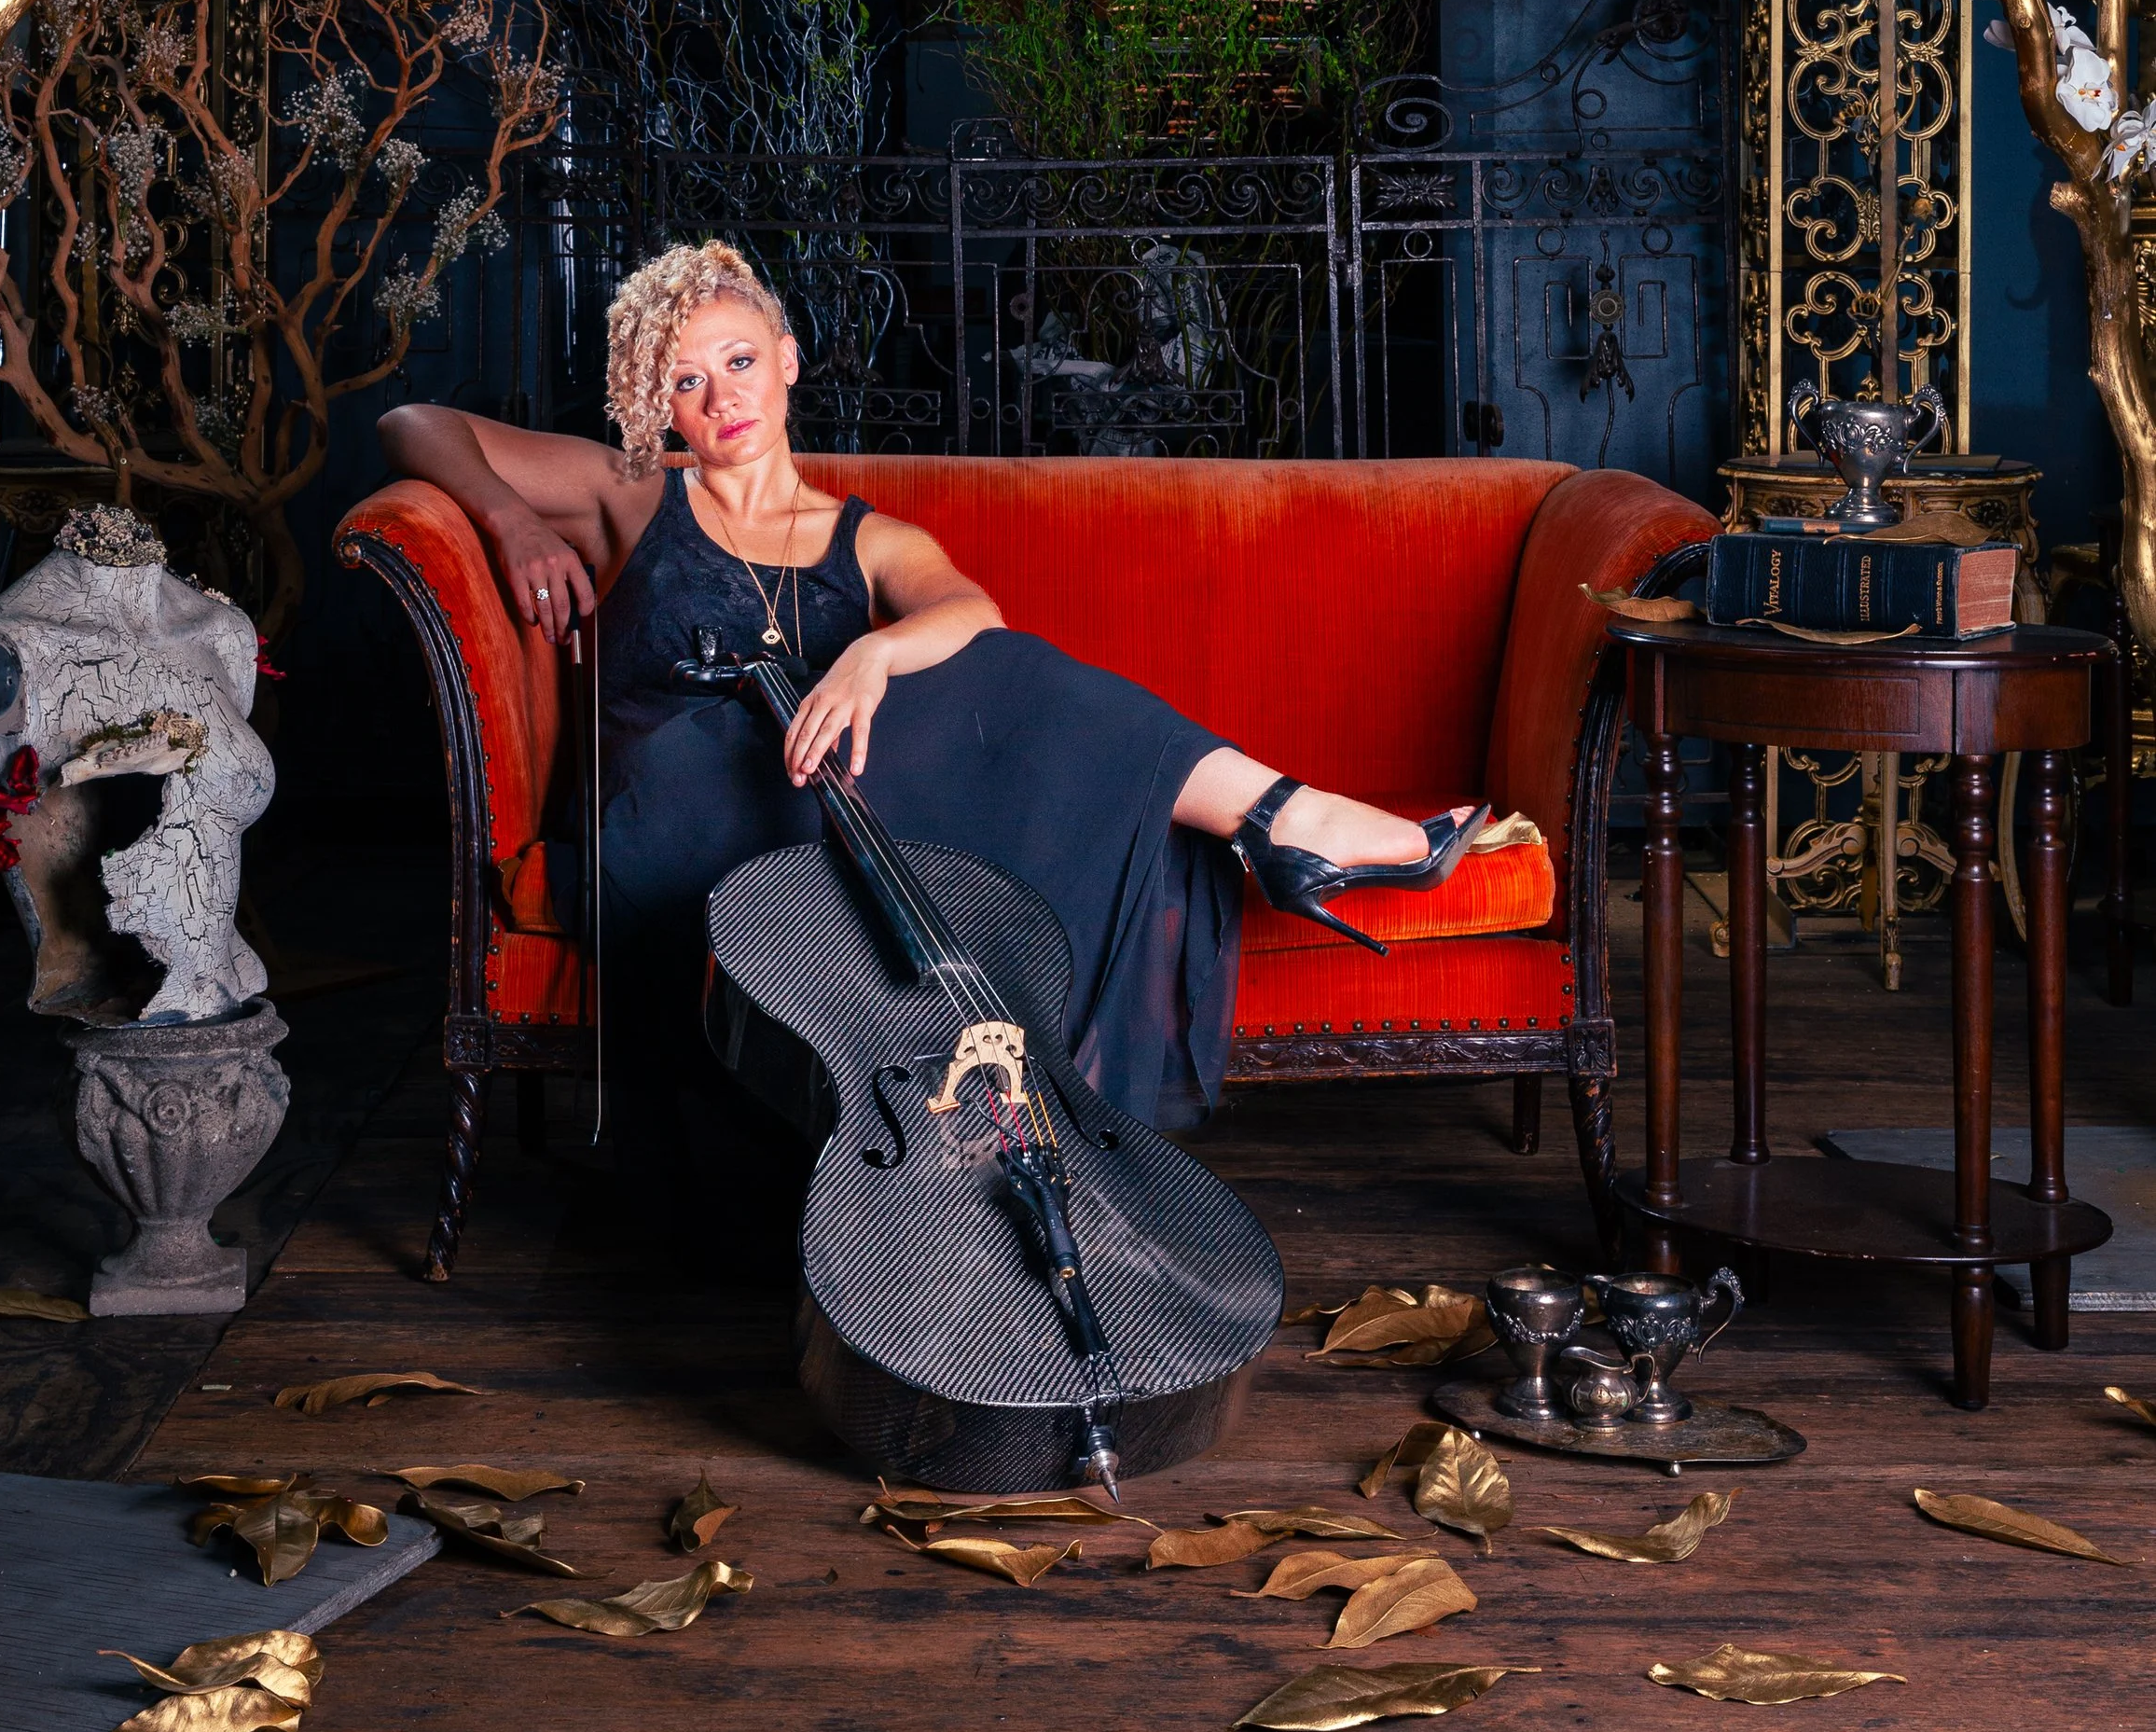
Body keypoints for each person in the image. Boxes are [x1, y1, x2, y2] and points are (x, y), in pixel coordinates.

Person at [378, 240, 1490, 1137]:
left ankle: (1266, 834)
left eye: (737, 361)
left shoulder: (870, 541)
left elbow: (974, 618)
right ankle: (1294, 824)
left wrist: (874, 652)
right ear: (659, 403)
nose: (718, 396)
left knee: (988, 673)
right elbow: (413, 423)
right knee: (908, 724)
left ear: (788, 358)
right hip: (659, 829)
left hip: (805, 823)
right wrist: (513, 517)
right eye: (684, 378)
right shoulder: (629, 493)